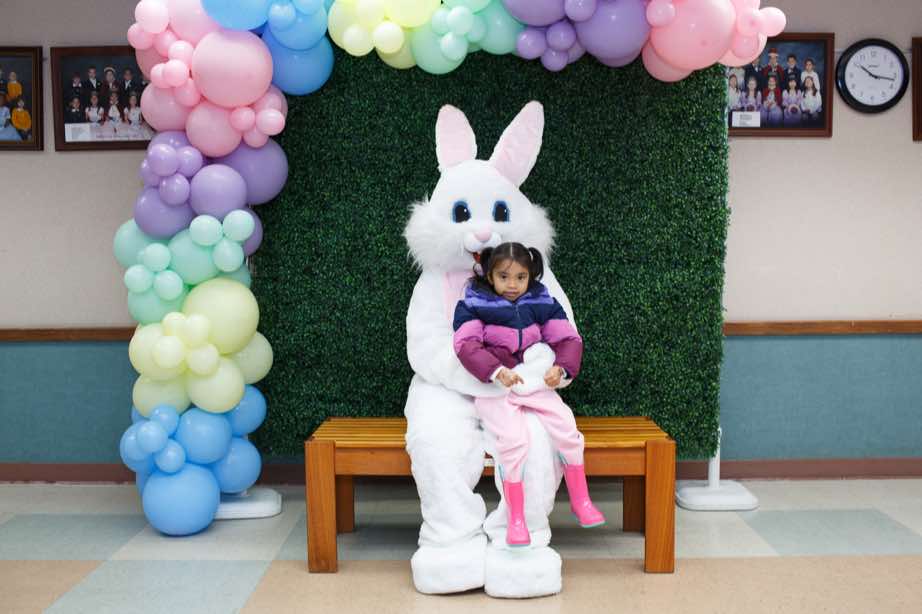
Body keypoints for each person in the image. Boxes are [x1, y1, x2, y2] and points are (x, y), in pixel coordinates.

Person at [452, 242, 605, 547]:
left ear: (530, 276)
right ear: (490, 276)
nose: (512, 284)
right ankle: (517, 520)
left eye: (520, 277)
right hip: (496, 389)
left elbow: (568, 338)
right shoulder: (473, 303)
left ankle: (581, 500)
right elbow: (465, 345)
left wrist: (561, 369)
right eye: (504, 276)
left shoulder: (542, 301)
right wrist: (496, 371)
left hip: (532, 381)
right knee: (514, 441)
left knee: (566, 428)